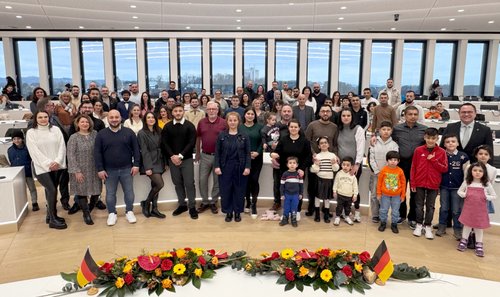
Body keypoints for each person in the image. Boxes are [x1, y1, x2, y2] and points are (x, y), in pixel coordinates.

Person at [95, 110, 141, 226]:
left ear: (121, 118)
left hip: (127, 169)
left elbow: (136, 150)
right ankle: (112, 214)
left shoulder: (129, 132)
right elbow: (97, 153)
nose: (114, 119)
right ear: (108, 119)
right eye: (111, 117)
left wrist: (136, 164)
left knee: (129, 192)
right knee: (110, 194)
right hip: (109, 170)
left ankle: (129, 212)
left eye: (116, 117)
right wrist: (100, 168)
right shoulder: (101, 134)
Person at [26, 111, 67, 229]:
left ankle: (50, 215)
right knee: (52, 189)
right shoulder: (31, 133)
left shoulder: (55, 130)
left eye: (45, 117)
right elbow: (34, 152)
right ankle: (53, 220)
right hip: (41, 167)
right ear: (36, 119)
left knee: (51, 190)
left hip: (57, 165)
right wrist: (49, 163)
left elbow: (61, 146)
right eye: (40, 117)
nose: (43, 119)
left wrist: (57, 161)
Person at [390, 106, 427, 228]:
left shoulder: (424, 129)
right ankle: (401, 215)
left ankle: (413, 217)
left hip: (418, 165)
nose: (413, 116)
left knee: (415, 192)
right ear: (404, 115)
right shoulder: (396, 129)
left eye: (415, 114)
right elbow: (386, 136)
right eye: (410, 114)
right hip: (401, 164)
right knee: (400, 190)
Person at [161, 103, 198, 219]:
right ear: (172, 113)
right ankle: (182, 205)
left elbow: (191, 143)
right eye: (175, 111)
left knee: (189, 184)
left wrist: (180, 156)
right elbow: (164, 143)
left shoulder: (190, 126)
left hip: (186, 160)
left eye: (180, 111)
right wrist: (172, 156)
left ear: (183, 112)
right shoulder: (167, 127)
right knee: (177, 183)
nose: (178, 113)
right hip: (173, 160)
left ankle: (192, 207)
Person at [410, 128, 448, 239]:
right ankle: (418, 224)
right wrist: (413, 183)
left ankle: (427, 226)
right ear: (424, 137)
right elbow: (413, 167)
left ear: (437, 138)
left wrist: (434, 160)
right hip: (419, 182)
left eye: (433, 138)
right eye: (428, 138)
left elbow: (444, 169)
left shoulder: (441, 152)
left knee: (430, 207)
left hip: (434, 184)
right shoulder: (418, 150)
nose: (430, 140)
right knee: (418, 205)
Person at [214, 112, 251, 223]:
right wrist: (217, 166)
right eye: (230, 120)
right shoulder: (222, 135)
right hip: (225, 167)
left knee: (239, 190)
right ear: (227, 121)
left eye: (235, 120)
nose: (232, 122)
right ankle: (228, 212)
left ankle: (238, 212)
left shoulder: (244, 135)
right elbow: (217, 153)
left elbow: (247, 153)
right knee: (226, 190)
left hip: (240, 167)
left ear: (238, 122)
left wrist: (247, 167)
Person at [67, 115, 101, 225]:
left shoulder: (95, 134)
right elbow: (70, 155)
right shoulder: (73, 137)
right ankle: (86, 214)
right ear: (78, 124)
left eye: (87, 122)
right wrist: (76, 171)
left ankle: (90, 208)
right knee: (82, 192)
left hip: (94, 168)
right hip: (80, 169)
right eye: (82, 122)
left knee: (96, 191)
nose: (85, 124)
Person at [271, 119, 311, 212]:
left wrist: (302, 168)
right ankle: (286, 212)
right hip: (285, 172)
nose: (293, 128)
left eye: (295, 127)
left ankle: (297, 211)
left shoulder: (304, 141)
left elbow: (308, 157)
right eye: (291, 127)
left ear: (299, 128)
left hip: (298, 172)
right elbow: (277, 152)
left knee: (297, 192)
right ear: (288, 128)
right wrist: (272, 154)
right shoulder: (283, 139)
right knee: (285, 192)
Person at [305, 105, 338, 217]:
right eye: (323, 111)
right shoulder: (312, 125)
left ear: (331, 113)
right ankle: (312, 208)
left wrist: (335, 156)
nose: (325, 113)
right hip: (315, 160)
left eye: (327, 111)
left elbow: (335, 143)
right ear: (319, 113)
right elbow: (307, 141)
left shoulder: (334, 127)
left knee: (326, 187)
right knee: (312, 186)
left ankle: (325, 209)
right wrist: (313, 154)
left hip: (328, 162)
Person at [457, 163, 496, 257]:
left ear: (484, 172)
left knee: (479, 228)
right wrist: (464, 194)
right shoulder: (467, 182)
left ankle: (479, 244)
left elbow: (494, 196)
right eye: (475, 170)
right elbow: (459, 191)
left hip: (480, 211)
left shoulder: (486, 184)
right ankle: (464, 240)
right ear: (471, 171)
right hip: (468, 209)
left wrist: (486, 197)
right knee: (467, 225)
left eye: (480, 171)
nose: (477, 173)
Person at [196, 101, 226, 215]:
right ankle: (204, 202)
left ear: (218, 110)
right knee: (202, 180)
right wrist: (198, 153)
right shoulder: (201, 122)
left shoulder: (223, 123)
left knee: (217, 181)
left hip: (219, 157)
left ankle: (213, 202)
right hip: (205, 155)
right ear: (206, 110)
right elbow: (198, 137)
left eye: (214, 109)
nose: (212, 111)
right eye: (209, 109)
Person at [436, 134, 469, 239]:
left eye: (453, 141)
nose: (450, 143)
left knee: (456, 210)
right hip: (444, 186)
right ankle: (442, 226)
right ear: (444, 144)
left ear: (457, 143)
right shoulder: (441, 155)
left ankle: (457, 229)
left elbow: (467, 174)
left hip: (457, 188)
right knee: (444, 208)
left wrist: (464, 188)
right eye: (448, 141)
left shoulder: (463, 156)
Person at [336, 108, 366, 222]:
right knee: (342, 189)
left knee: (354, 189)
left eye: (348, 115)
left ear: (352, 117)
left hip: (354, 165)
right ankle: (344, 211)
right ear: (340, 117)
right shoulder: (338, 129)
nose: (346, 117)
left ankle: (357, 212)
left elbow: (360, 147)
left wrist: (357, 164)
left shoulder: (358, 129)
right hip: (341, 166)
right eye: (343, 115)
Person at [368, 121, 399, 223]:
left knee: (385, 196)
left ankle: (383, 215)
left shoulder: (394, 145)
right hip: (376, 174)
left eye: (388, 130)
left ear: (392, 131)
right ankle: (375, 215)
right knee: (374, 195)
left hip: (389, 175)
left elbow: (394, 159)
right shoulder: (374, 142)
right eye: (384, 129)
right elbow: (370, 158)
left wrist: (386, 172)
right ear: (379, 131)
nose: (386, 132)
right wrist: (377, 171)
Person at [137, 112, 166, 219]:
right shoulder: (141, 133)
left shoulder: (159, 131)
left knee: (155, 186)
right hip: (149, 162)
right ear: (145, 120)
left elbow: (163, 147)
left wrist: (165, 163)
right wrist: (148, 167)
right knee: (160, 184)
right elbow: (144, 151)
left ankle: (154, 209)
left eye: (153, 117)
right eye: (148, 118)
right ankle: (146, 202)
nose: (151, 119)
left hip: (160, 160)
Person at [239, 107, 263, 218]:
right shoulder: (240, 128)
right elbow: (238, 143)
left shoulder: (260, 127)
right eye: (248, 114)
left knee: (254, 180)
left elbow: (262, 142)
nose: (250, 116)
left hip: (257, 158)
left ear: (255, 116)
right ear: (244, 115)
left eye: (252, 114)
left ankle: (254, 203)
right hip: (244, 158)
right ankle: (247, 202)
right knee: (246, 181)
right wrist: (247, 154)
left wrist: (257, 152)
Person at [310, 136, 339, 223]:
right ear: (318, 146)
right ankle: (317, 214)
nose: (323, 144)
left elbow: (336, 169)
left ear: (328, 144)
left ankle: (326, 214)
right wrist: (316, 164)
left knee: (327, 198)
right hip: (319, 179)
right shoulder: (317, 156)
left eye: (325, 142)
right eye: (321, 143)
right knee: (317, 197)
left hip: (329, 180)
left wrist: (334, 164)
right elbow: (313, 170)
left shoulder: (332, 155)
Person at [7, 130, 38, 211]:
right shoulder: (10, 150)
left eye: (18, 138)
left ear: (22, 139)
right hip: (16, 174)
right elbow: (11, 161)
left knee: (32, 188)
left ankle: (34, 202)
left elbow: (32, 159)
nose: (16, 141)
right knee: (20, 190)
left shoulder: (27, 148)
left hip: (27, 172)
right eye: (14, 139)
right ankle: (22, 205)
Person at [377, 151, 406, 233]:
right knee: (383, 210)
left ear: (398, 161)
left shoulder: (400, 171)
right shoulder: (384, 170)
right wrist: (379, 193)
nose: (393, 161)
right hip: (384, 195)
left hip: (396, 196)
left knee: (395, 211)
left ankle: (394, 224)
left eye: (395, 160)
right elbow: (379, 182)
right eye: (391, 159)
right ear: (387, 160)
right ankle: (383, 223)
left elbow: (403, 184)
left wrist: (403, 195)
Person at [333, 156, 358, 226]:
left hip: (349, 196)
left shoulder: (353, 176)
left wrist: (355, 195)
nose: (345, 167)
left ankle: (347, 217)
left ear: (351, 167)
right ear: (341, 165)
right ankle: (337, 217)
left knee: (348, 207)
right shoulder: (339, 174)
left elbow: (355, 186)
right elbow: (336, 183)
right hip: (340, 194)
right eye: (344, 165)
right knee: (339, 207)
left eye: (347, 165)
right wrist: (334, 191)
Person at [279, 157, 303, 227]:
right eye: (290, 163)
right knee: (286, 208)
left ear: (297, 165)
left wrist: (301, 194)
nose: (292, 164)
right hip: (287, 195)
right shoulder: (285, 174)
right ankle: (285, 219)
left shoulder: (299, 175)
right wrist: (282, 194)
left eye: (294, 163)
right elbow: (282, 185)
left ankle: (293, 220)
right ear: (287, 165)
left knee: (294, 207)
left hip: (295, 195)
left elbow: (301, 185)